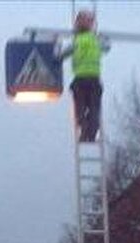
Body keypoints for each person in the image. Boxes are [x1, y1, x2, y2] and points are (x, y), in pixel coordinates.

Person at [57, 10, 109, 143]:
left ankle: (84, 130)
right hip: (94, 80)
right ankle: (91, 134)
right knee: (94, 109)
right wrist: (104, 37)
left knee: (80, 109)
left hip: (80, 80)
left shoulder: (77, 41)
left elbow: (61, 55)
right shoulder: (96, 40)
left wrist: (55, 48)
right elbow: (107, 47)